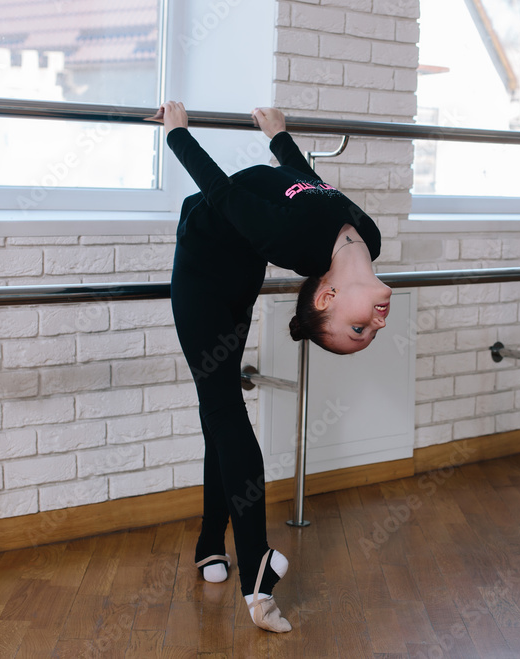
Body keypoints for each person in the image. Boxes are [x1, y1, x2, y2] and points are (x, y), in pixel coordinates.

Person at [148, 100, 392, 633]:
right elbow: (310, 184)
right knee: (223, 407)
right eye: (366, 333)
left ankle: (214, 543)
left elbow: (227, 192)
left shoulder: (294, 244)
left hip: (223, 273)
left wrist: (177, 135)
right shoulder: (366, 239)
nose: (375, 325)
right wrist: (279, 137)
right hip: (214, 265)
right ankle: (253, 566)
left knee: (221, 408)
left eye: (360, 331)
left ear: (326, 297)